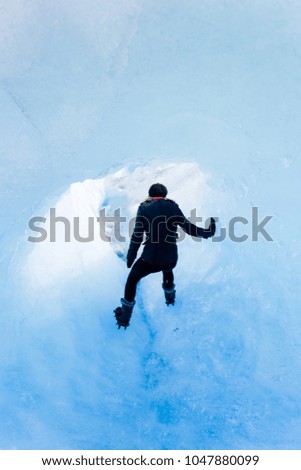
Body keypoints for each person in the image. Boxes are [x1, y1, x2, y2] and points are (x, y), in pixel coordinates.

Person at [114, 183, 216, 329]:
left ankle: (124, 319)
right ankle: (170, 300)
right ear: (165, 195)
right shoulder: (173, 207)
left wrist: (131, 257)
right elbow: (189, 229)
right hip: (171, 259)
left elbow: (137, 236)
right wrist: (208, 232)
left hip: (150, 260)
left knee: (132, 279)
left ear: (150, 195)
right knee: (167, 269)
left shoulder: (144, 208)